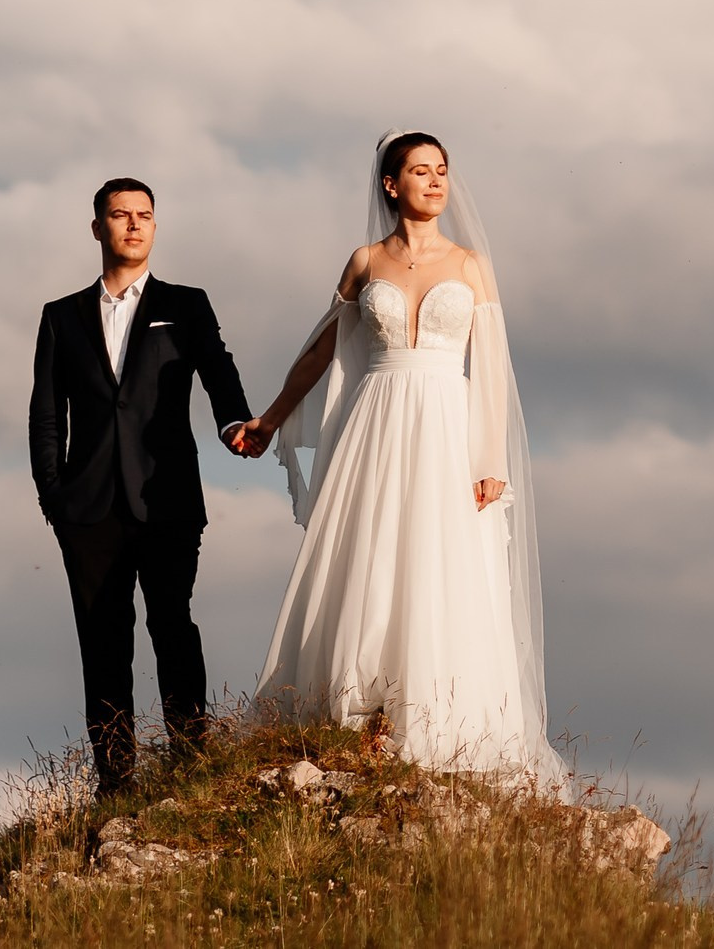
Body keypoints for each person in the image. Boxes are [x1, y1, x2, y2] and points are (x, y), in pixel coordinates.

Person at [236, 132, 565, 790]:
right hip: (377, 421)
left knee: (441, 558)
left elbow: (492, 366)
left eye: (442, 170)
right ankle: (361, 707)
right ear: (391, 184)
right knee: (371, 550)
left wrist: (488, 455)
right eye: (420, 170)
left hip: (447, 421)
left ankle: (438, 715)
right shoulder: (364, 262)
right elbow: (321, 350)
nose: (436, 181)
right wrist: (270, 417)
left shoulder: (470, 264)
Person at [29, 177, 255, 795]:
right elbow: (47, 416)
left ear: (155, 226)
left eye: (145, 215)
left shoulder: (186, 305)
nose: (134, 224)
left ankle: (189, 760)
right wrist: (56, 498)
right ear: (97, 227)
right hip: (89, 509)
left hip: (168, 500)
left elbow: (219, 372)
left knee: (172, 625)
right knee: (102, 643)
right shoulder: (61, 317)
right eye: (120, 215)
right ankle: (116, 780)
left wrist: (235, 422)